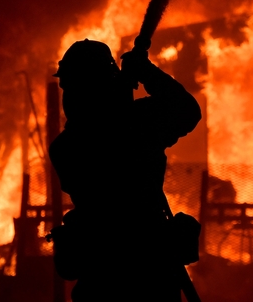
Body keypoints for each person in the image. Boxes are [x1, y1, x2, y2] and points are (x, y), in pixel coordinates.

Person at [48, 39, 202, 301]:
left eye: (73, 85)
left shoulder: (66, 145)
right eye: (67, 86)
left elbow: (185, 112)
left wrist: (131, 84)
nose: (68, 94)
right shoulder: (138, 124)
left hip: (105, 275)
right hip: (147, 270)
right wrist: (145, 72)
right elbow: (184, 110)